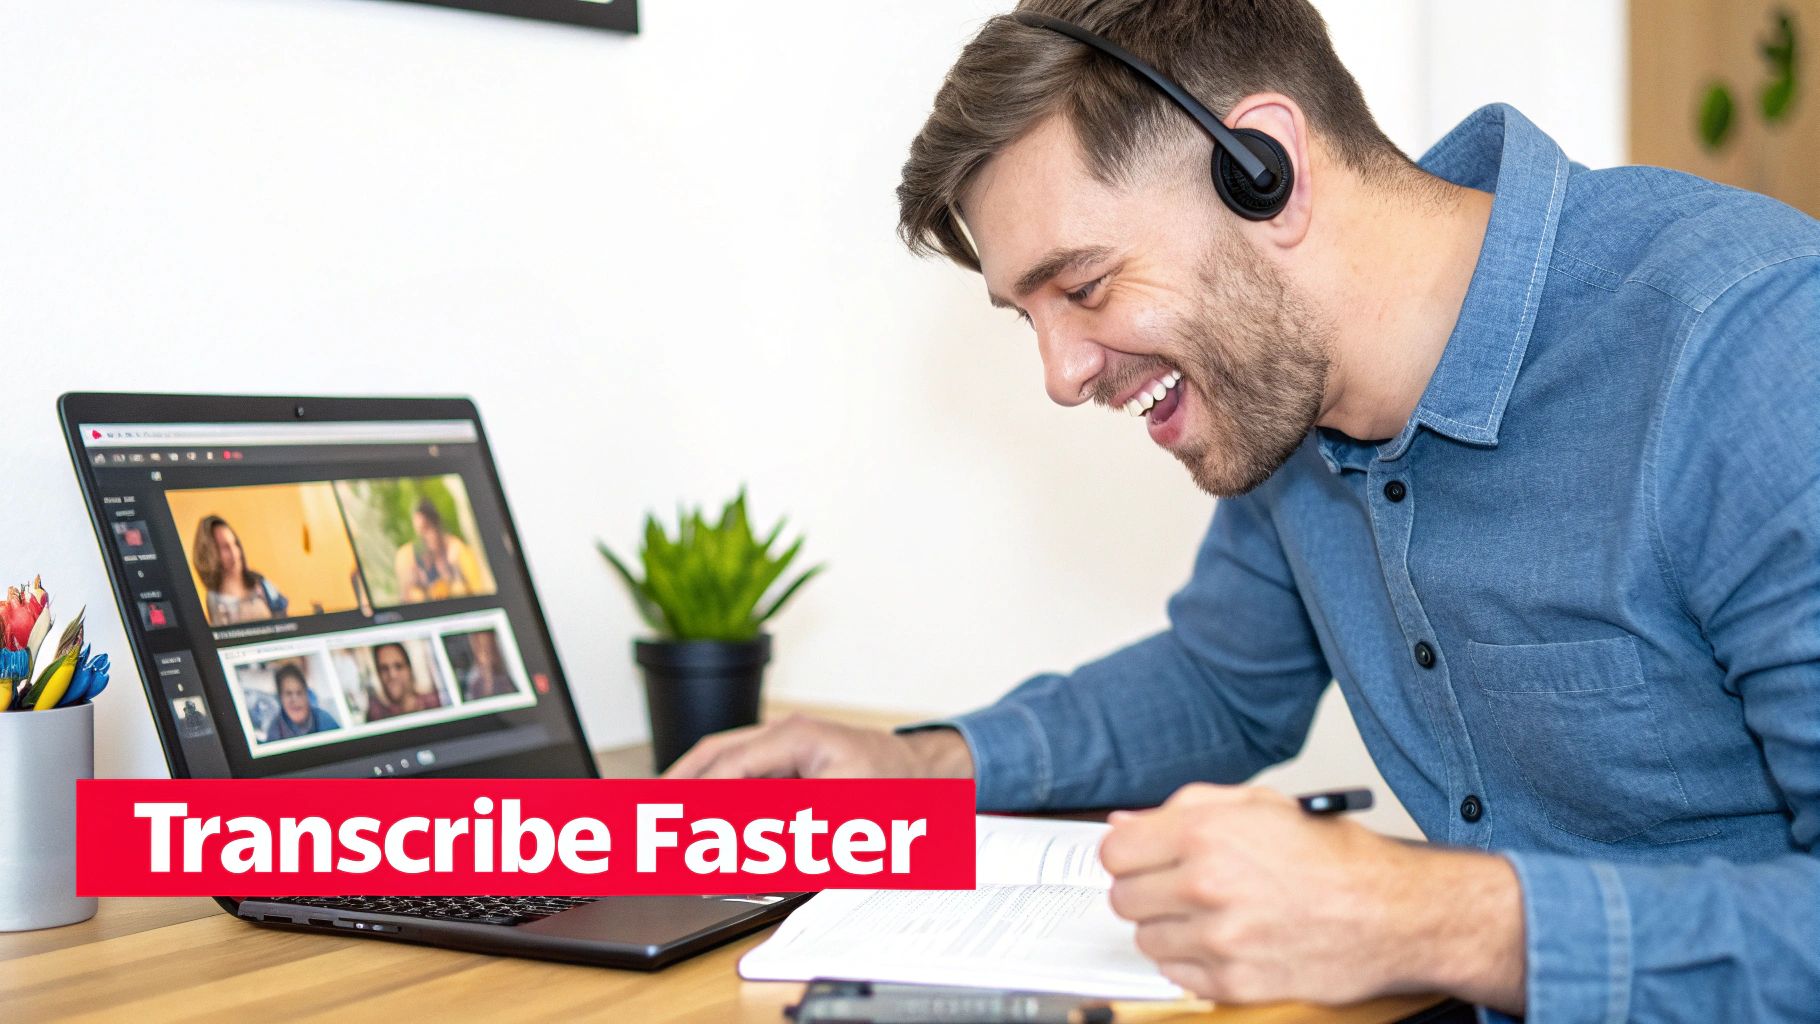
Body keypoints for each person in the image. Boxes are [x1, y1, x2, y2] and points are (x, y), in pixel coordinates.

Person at [663, 2, 1820, 1019]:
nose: (1061, 376)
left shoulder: (1752, 346)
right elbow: (1223, 681)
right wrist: (924, 767)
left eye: (1081, 286)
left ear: (1262, 165)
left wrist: (1426, 915)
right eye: (1029, 319)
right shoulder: (1287, 399)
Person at [193, 515, 290, 625]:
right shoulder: (213, 599)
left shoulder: (260, 583)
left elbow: (285, 620)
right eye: (225, 547)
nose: (234, 553)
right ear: (210, 554)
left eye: (234, 543)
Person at [393, 499, 485, 603]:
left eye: (427, 528)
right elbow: (405, 599)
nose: (425, 537)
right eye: (420, 531)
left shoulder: (457, 550)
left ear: (436, 525)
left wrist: (455, 570)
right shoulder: (407, 556)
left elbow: (478, 593)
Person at [363, 641, 442, 721]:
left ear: (409, 670)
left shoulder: (435, 703)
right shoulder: (376, 716)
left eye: (398, 666)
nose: (392, 675)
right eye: (384, 669)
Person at [264, 663, 338, 740]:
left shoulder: (323, 719)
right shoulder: (274, 731)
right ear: (280, 697)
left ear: (307, 694)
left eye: (299, 692)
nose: (295, 700)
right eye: (288, 693)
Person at [457, 630, 514, 700]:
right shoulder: (473, 682)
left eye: (490, 648)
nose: (487, 655)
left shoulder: (506, 678)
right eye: (483, 651)